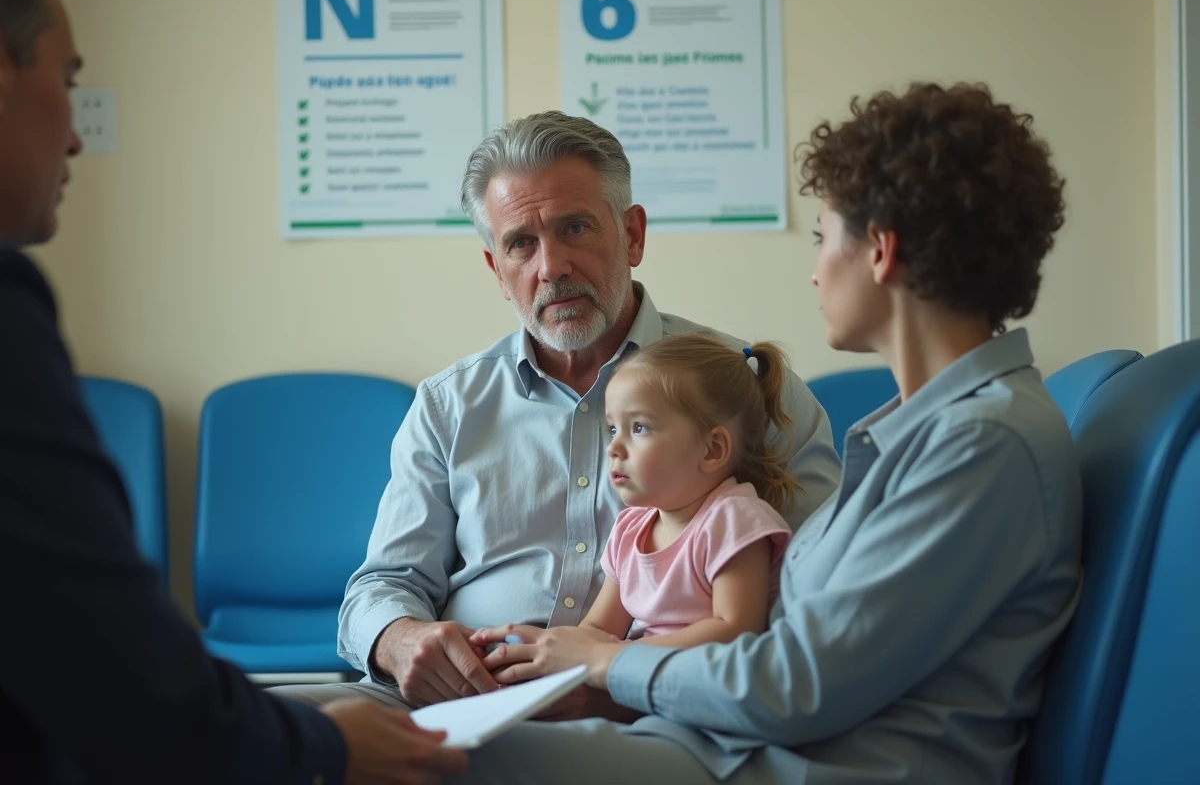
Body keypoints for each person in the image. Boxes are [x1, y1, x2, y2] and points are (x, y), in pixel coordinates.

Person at [464, 82, 1084, 784]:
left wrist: (602, 662)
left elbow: (799, 685)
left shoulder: (980, 442)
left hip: (799, 764)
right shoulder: (931, 429)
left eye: (824, 238)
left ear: (880, 250)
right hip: (733, 740)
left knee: (430, 760)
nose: (815, 269)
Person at [0, 0, 467, 782]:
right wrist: (330, 740)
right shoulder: (452, 402)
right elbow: (106, 657)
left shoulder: (713, 385)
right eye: (69, 81)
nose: (78, 136)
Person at [275, 112, 841, 714]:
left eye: (575, 228)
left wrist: (624, 682)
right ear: (497, 268)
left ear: (634, 236)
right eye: (521, 243)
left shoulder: (742, 387)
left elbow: (819, 601)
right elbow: (383, 585)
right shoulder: (447, 405)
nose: (552, 267)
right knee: (248, 738)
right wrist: (402, 641)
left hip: (655, 708)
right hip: (457, 702)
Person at [487, 332, 795, 663]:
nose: (614, 449)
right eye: (612, 429)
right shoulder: (630, 528)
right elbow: (598, 629)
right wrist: (541, 651)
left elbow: (736, 630)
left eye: (639, 428)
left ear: (712, 449)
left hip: (708, 697)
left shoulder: (735, 520)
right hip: (633, 686)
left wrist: (613, 656)